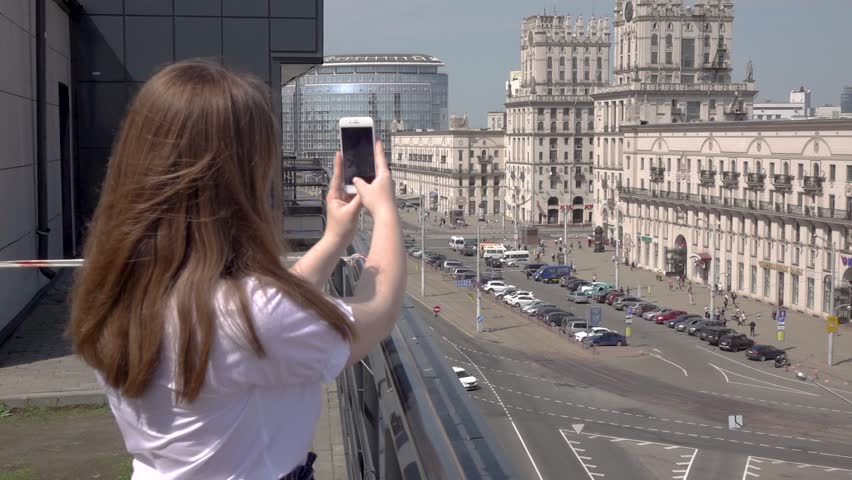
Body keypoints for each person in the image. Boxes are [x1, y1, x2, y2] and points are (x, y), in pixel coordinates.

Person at [66, 61, 406, 480]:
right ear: (235, 180)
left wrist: (334, 239)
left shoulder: (119, 287)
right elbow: (379, 310)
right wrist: (387, 213)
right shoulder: (246, 315)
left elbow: (268, 315)